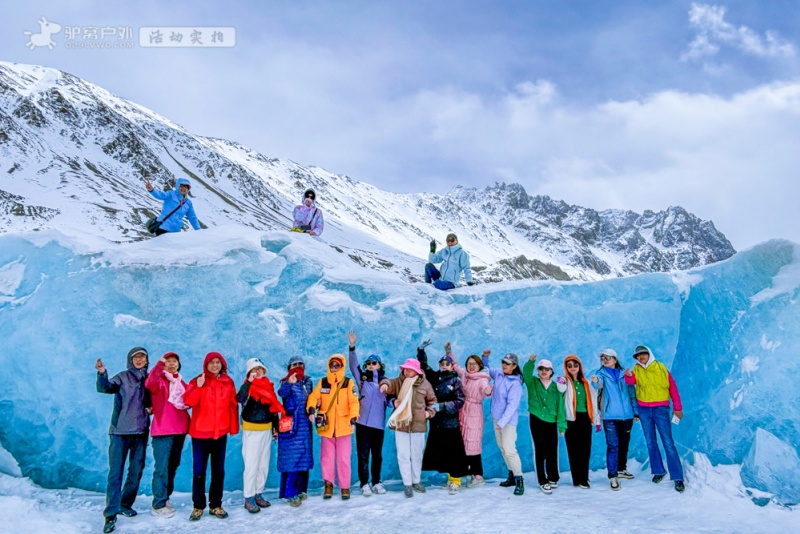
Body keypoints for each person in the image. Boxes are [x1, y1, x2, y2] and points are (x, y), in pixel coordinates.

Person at [95, 347, 151, 534]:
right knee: (116, 473)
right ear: (130, 360)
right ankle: (110, 514)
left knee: (136, 471)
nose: (139, 360)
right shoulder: (122, 377)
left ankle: (125, 504)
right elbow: (105, 388)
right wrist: (102, 373)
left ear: (146, 360)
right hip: (119, 432)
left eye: (142, 357)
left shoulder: (150, 379)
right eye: (136, 357)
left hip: (141, 432)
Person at [183, 352, 239, 521]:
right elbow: (188, 401)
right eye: (211, 363)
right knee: (199, 471)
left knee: (218, 471)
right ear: (205, 365)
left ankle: (216, 505)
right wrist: (198, 387)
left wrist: (233, 427)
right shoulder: (197, 380)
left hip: (220, 433)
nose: (215, 365)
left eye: (218, 362)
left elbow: (232, 405)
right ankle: (198, 506)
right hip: (200, 434)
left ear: (222, 364)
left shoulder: (227, 382)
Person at [624, 345, 686, 493]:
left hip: (661, 409)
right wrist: (628, 376)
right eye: (638, 356)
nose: (641, 357)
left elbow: (673, 388)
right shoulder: (636, 370)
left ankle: (678, 477)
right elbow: (631, 383)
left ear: (649, 354)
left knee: (668, 442)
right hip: (644, 409)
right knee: (650, 441)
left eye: (643, 354)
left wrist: (677, 408)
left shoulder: (661, 368)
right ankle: (658, 471)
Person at [379, 358, 437, 498]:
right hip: (402, 425)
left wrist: (429, 412)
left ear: (416, 370)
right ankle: (407, 484)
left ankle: (416, 481)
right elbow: (389, 382)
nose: (406, 371)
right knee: (403, 455)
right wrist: (385, 385)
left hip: (418, 425)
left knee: (416, 455)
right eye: (405, 368)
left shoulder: (425, 384)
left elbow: (433, 401)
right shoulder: (400, 381)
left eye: (409, 369)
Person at [306, 354, 360, 500]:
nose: (334, 368)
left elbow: (354, 402)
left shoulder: (348, 383)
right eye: (332, 365)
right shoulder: (323, 382)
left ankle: (344, 487)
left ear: (342, 366)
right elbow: (313, 397)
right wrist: (311, 409)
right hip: (327, 427)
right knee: (326, 459)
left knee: (343, 459)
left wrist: (354, 416)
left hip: (344, 427)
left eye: (337, 365)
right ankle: (328, 485)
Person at [417, 344, 468, 494]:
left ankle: (456, 481)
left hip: (450, 423)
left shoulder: (456, 381)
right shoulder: (435, 378)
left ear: (452, 366)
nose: (445, 366)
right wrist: (421, 351)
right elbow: (424, 367)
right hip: (437, 423)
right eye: (442, 364)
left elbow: (460, 401)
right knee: (444, 452)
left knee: (454, 452)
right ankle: (449, 479)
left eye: (448, 364)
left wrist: (442, 406)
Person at [237, 358, 286, 513]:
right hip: (252, 430)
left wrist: (276, 428)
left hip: (266, 430)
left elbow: (273, 410)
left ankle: (258, 493)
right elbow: (239, 398)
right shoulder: (248, 387)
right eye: (254, 369)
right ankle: (249, 497)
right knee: (252, 464)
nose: (258, 372)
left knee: (263, 465)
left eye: (260, 369)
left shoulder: (268, 387)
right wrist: (248, 383)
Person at [145, 352, 190, 518]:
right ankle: (158, 503)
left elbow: (190, 399)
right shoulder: (159, 381)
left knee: (172, 466)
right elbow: (149, 383)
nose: (171, 364)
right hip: (163, 429)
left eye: (174, 361)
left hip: (180, 429)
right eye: (168, 362)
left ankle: (165, 498)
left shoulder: (180, 382)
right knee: (162, 467)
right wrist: (158, 364)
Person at [346, 331, 389, 497]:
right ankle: (364, 483)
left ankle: (376, 481)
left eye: (374, 363)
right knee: (363, 455)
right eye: (369, 363)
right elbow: (353, 365)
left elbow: (390, 400)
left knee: (377, 456)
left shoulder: (386, 382)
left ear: (380, 365)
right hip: (362, 423)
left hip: (378, 424)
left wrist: (396, 404)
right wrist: (352, 347)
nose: (371, 365)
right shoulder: (362, 379)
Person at [589, 348, 637, 491]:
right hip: (609, 416)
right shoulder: (600, 374)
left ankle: (621, 469)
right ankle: (612, 475)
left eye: (607, 357)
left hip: (627, 416)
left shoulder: (624, 374)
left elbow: (632, 393)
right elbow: (598, 384)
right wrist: (595, 381)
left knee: (624, 444)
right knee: (613, 445)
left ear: (615, 359)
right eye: (602, 358)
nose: (604, 360)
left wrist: (635, 412)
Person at [447, 343, 491, 488]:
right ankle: (467, 473)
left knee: (473, 443)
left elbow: (485, 389)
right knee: (462, 443)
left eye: (474, 364)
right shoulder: (465, 375)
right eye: (469, 364)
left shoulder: (482, 378)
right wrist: (448, 351)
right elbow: (455, 365)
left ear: (479, 365)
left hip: (474, 412)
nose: (471, 366)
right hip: (462, 411)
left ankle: (478, 475)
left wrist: (488, 391)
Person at [482, 350, 525, 496]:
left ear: (514, 366)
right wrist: (485, 357)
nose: (504, 365)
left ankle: (519, 480)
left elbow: (512, 406)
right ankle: (511, 475)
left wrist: (502, 422)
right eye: (503, 362)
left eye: (507, 363)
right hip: (497, 419)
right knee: (502, 448)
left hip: (508, 421)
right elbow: (486, 369)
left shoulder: (515, 384)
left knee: (510, 449)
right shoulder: (499, 374)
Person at [522, 354, 566, 495]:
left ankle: (553, 477)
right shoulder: (533, 382)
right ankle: (542, 480)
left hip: (551, 420)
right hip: (536, 418)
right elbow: (526, 373)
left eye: (547, 369)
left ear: (551, 371)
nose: (544, 371)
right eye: (541, 369)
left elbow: (561, 407)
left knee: (552, 449)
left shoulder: (556, 387)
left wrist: (562, 426)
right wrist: (531, 362)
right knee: (540, 450)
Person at [277, 356, 314, 507]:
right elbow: (282, 394)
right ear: (289, 367)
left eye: (301, 364)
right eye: (295, 364)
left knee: (303, 457)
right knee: (291, 459)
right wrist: (289, 383)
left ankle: (301, 490)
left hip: (305, 425)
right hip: (291, 425)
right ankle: (289, 492)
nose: (298, 366)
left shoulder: (308, 382)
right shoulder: (286, 381)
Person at [562, 354, 600, 489]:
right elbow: (560, 392)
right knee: (573, 449)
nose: (573, 368)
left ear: (580, 367)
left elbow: (594, 401)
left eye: (575, 365)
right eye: (569, 365)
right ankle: (576, 478)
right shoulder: (564, 382)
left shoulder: (586, 383)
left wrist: (596, 419)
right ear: (566, 367)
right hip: (570, 419)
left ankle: (584, 478)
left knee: (585, 449)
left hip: (584, 418)